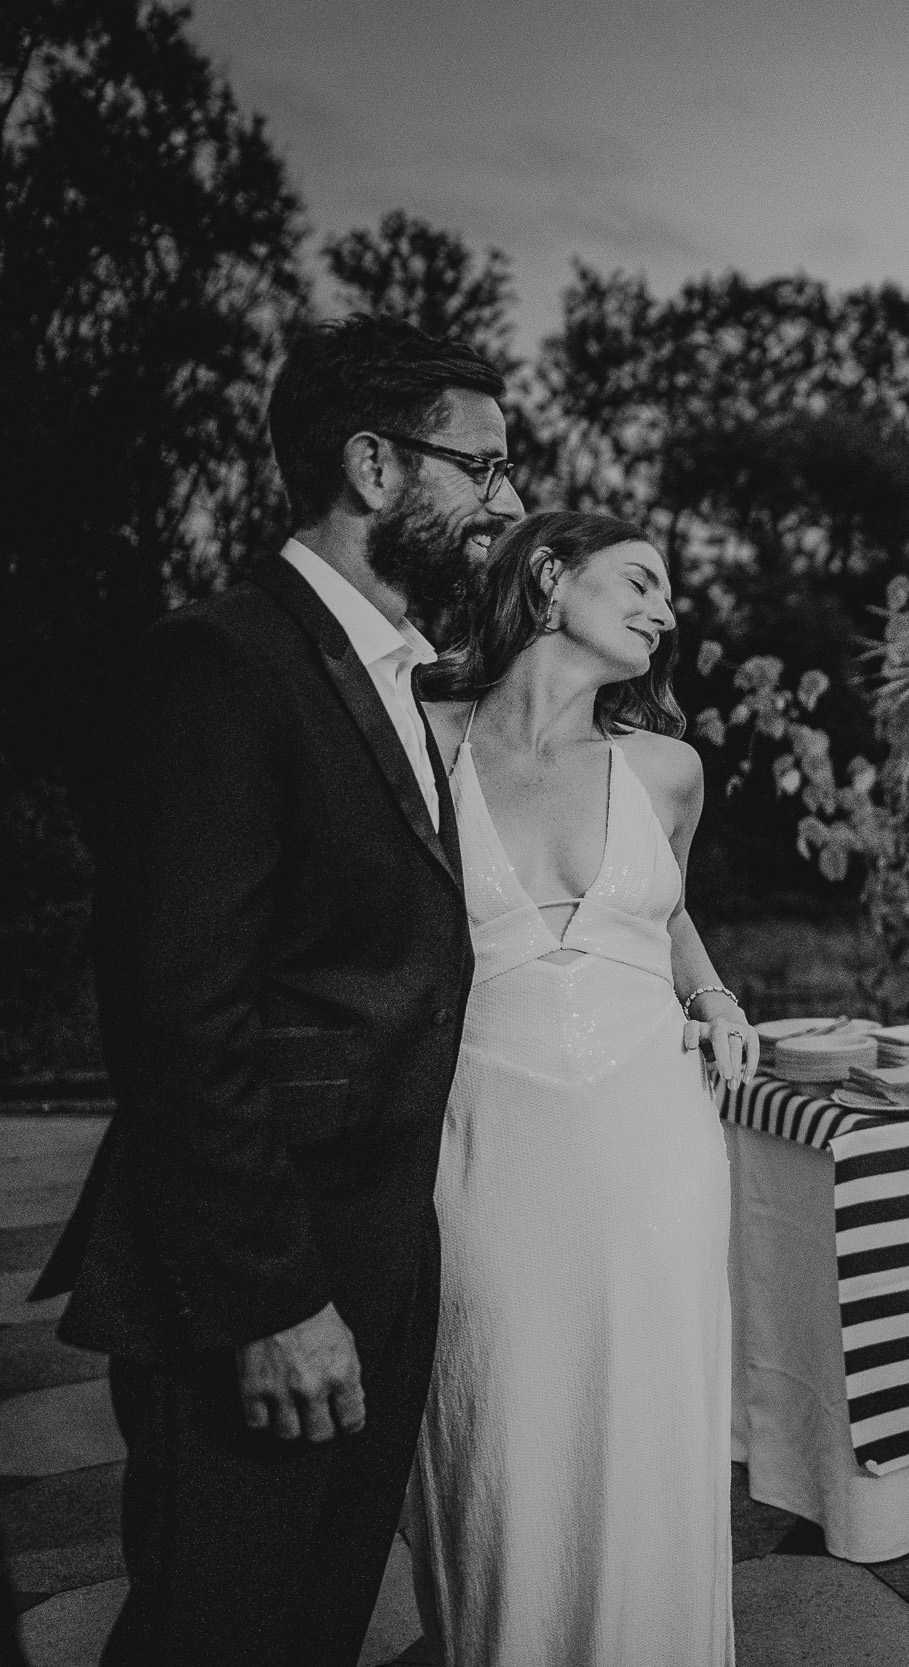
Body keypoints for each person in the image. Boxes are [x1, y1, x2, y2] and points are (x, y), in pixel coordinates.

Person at [31, 316, 520, 1665]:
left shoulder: (398, 675)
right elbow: (179, 1012)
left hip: (374, 1251)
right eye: (481, 469)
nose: (506, 502)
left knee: (313, 1619)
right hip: (261, 1276)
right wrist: (270, 1300)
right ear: (374, 463)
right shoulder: (224, 660)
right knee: (218, 1625)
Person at [403, 511, 756, 1665]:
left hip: (652, 1134)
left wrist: (713, 996)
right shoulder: (418, 735)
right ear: (552, 578)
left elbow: (661, 903)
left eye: (670, 594)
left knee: (650, 1430)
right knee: (498, 1419)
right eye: (643, 580)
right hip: (484, 1131)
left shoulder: (667, 768)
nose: (666, 608)